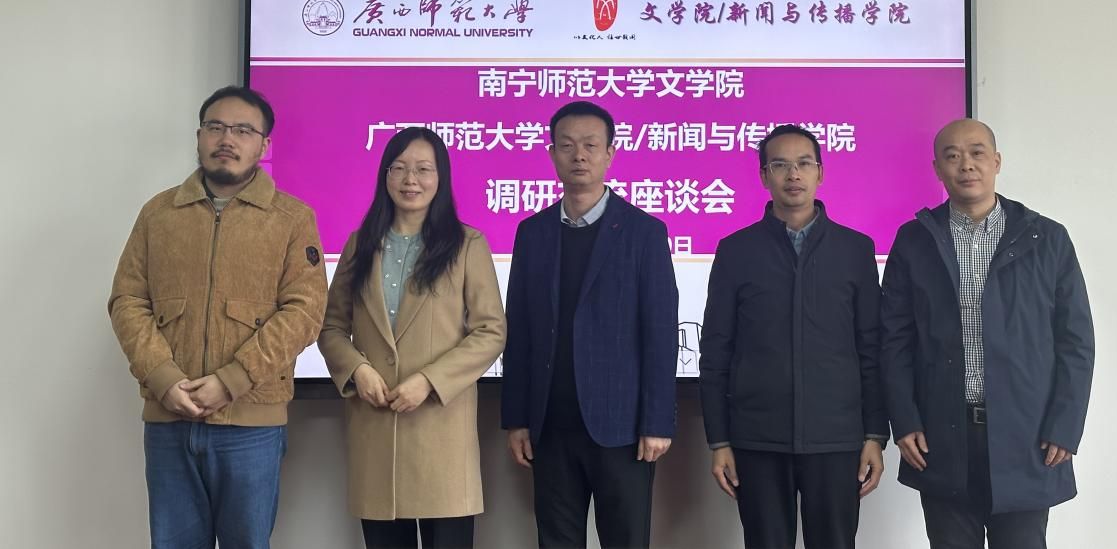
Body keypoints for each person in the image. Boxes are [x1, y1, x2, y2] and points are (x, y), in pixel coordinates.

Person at [109, 85, 328, 549]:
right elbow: (128, 300)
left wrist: (231, 380)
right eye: (216, 127)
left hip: (251, 428)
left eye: (243, 130)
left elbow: (305, 311)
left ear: (264, 145)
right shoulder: (159, 214)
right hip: (169, 418)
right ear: (199, 136)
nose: (227, 139)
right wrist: (165, 378)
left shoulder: (291, 218)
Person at [881, 119, 1095, 549]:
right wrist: (904, 419)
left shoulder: (1046, 238)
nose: (966, 165)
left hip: (1026, 435)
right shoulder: (915, 240)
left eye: (977, 153)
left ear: (996, 162)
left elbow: (1076, 341)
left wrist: (1065, 425)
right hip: (942, 434)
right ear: (937, 169)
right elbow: (895, 339)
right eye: (952, 156)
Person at [501, 101, 679, 548]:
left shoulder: (644, 232)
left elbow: (660, 333)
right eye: (567, 146)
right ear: (551, 154)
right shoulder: (532, 233)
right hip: (551, 424)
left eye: (590, 145)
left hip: (622, 428)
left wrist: (657, 420)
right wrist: (517, 419)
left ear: (609, 154)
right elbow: (518, 332)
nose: (578, 155)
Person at [700, 124, 887, 549]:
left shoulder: (855, 250)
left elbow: (872, 349)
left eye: (804, 163)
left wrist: (875, 435)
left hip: (837, 439)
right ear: (764, 176)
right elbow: (716, 351)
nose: (793, 174)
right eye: (780, 165)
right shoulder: (736, 250)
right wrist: (720, 441)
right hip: (757, 439)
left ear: (820, 172)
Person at [319, 126, 506, 549]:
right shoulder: (359, 245)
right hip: (376, 426)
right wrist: (357, 369)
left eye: (424, 169)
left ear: (440, 178)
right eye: (399, 168)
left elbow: (491, 331)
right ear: (385, 175)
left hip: (441, 429)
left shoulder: (466, 244)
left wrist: (429, 381)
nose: (411, 180)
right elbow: (331, 327)